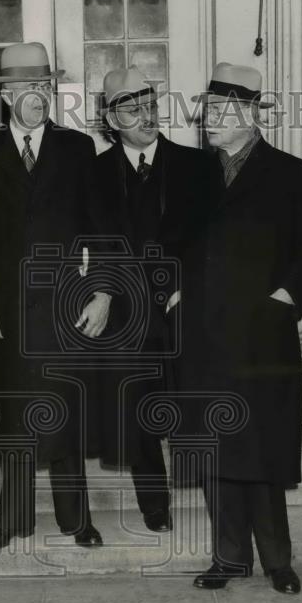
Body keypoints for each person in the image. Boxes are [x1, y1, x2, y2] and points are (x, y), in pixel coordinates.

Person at [0, 41, 107, 551]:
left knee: (65, 412)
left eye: (43, 86)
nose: (36, 96)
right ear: (6, 96)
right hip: (6, 314)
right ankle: (14, 520)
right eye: (24, 87)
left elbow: (100, 228)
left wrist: (103, 293)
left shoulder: (77, 148)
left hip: (66, 307)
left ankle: (76, 520)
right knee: (14, 418)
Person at [181, 63, 302, 593]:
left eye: (219, 112)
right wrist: (174, 293)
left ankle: (278, 561)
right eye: (207, 110)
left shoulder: (291, 172)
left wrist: (285, 298)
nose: (208, 120)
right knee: (217, 445)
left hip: (263, 337)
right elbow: (176, 242)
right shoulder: (193, 174)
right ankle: (229, 557)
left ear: (248, 113)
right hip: (207, 335)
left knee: (264, 450)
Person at [88, 66, 218, 532]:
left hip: (184, 309)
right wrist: (103, 291)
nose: (144, 115)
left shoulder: (199, 166)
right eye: (130, 107)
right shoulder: (93, 174)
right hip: (126, 315)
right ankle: (154, 505)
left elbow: (212, 240)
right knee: (141, 412)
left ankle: (216, 501)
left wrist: (190, 288)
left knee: (196, 408)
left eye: (149, 104)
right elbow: (89, 242)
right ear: (109, 118)